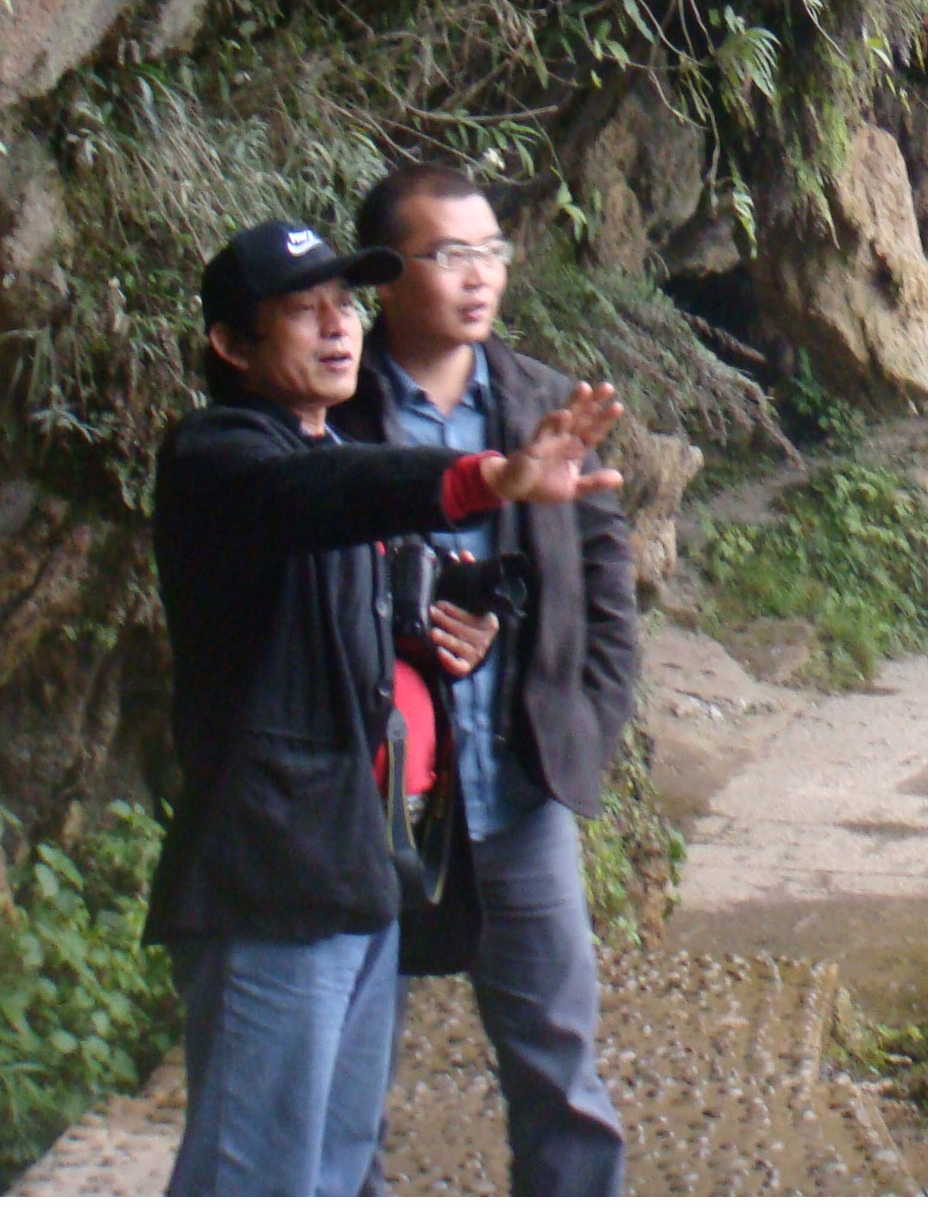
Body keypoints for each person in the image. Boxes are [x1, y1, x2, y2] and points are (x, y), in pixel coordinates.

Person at [144, 217, 625, 1195]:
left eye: (346, 305)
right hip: (273, 879)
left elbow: (377, 566)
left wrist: (479, 611)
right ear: (232, 346)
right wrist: (485, 476)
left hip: (360, 871)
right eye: (301, 311)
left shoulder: (320, 452)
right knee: (258, 1177)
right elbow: (324, 495)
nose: (337, 327)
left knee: (333, 1166)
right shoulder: (222, 457)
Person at [334, 164, 639, 1195]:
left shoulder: (545, 404)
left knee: (560, 1073)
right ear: (384, 275)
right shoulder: (338, 410)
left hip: (517, 790)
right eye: (449, 255)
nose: (480, 276)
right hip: (375, 798)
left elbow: (607, 592)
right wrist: (410, 637)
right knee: (345, 1086)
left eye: (492, 252)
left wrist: (586, 727)